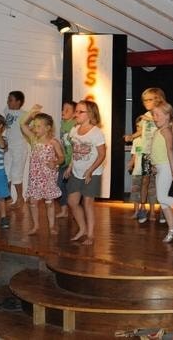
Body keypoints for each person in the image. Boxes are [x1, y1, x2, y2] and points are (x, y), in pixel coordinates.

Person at [64, 100, 106, 246]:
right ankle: (82, 229)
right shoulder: (74, 130)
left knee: (88, 203)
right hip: (77, 172)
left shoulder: (96, 133)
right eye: (76, 111)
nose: (76, 114)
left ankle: (90, 234)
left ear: (90, 114)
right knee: (72, 202)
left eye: (80, 112)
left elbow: (102, 154)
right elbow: (75, 152)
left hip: (92, 173)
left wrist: (90, 170)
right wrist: (70, 167)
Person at [124, 87, 166, 224]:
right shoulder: (145, 116)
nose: (146, 102)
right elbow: (141, 131)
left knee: (160, 183)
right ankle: (143, 208)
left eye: (149, 99)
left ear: (158, 99)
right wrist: (132, 136)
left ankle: (163, 209)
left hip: (159, 154)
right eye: (144, 100)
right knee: (145, 181)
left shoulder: (163, 113)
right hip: (146, 154)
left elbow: (166, 126)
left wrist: (151, 118)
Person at [20, 105, 64, 235]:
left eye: (39, 126)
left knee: (49, 203)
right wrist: (31, 112)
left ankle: (51, 226)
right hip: (35, 178)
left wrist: (55, 162)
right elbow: (22, 124)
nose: (35, 128)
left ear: (48, 128)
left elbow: (61, 157)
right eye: (34, 125)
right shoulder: (33, 140)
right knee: (33, 202)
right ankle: (36, 226)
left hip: (48, 177)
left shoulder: (53, 142)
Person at [151, 101, 173, 243]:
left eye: (158, 114)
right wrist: (154, 165)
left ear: (167, 116)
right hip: (160, 167)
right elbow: (158, 150)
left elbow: (170, 150)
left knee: (162, 198)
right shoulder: (159, 131)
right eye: (154, 114)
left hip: (166, 167)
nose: (155, 117)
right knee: (163, 202)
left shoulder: (166, 131)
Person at [4, 91, 29, 210]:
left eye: (10, 100)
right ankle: (7, 196)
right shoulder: (6, 110)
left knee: (16, 174)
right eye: (8, 99)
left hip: (19, 148)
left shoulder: (24, 114)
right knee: (5, 172)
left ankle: (20, 198)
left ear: (18, 102)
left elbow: (29, 128)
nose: (8, 102)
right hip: (8, 147)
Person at [56, 100, 76, 219]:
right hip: (64, 161)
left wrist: (71, 165)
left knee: (72, 188)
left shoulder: (75, 125)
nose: (63, 111)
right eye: (63, 109)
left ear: (74, 114)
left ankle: (75, 210)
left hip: (73, 163)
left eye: (67, 110)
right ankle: (64, 210)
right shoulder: (63, 124)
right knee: (60, 185)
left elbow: (76, 146)